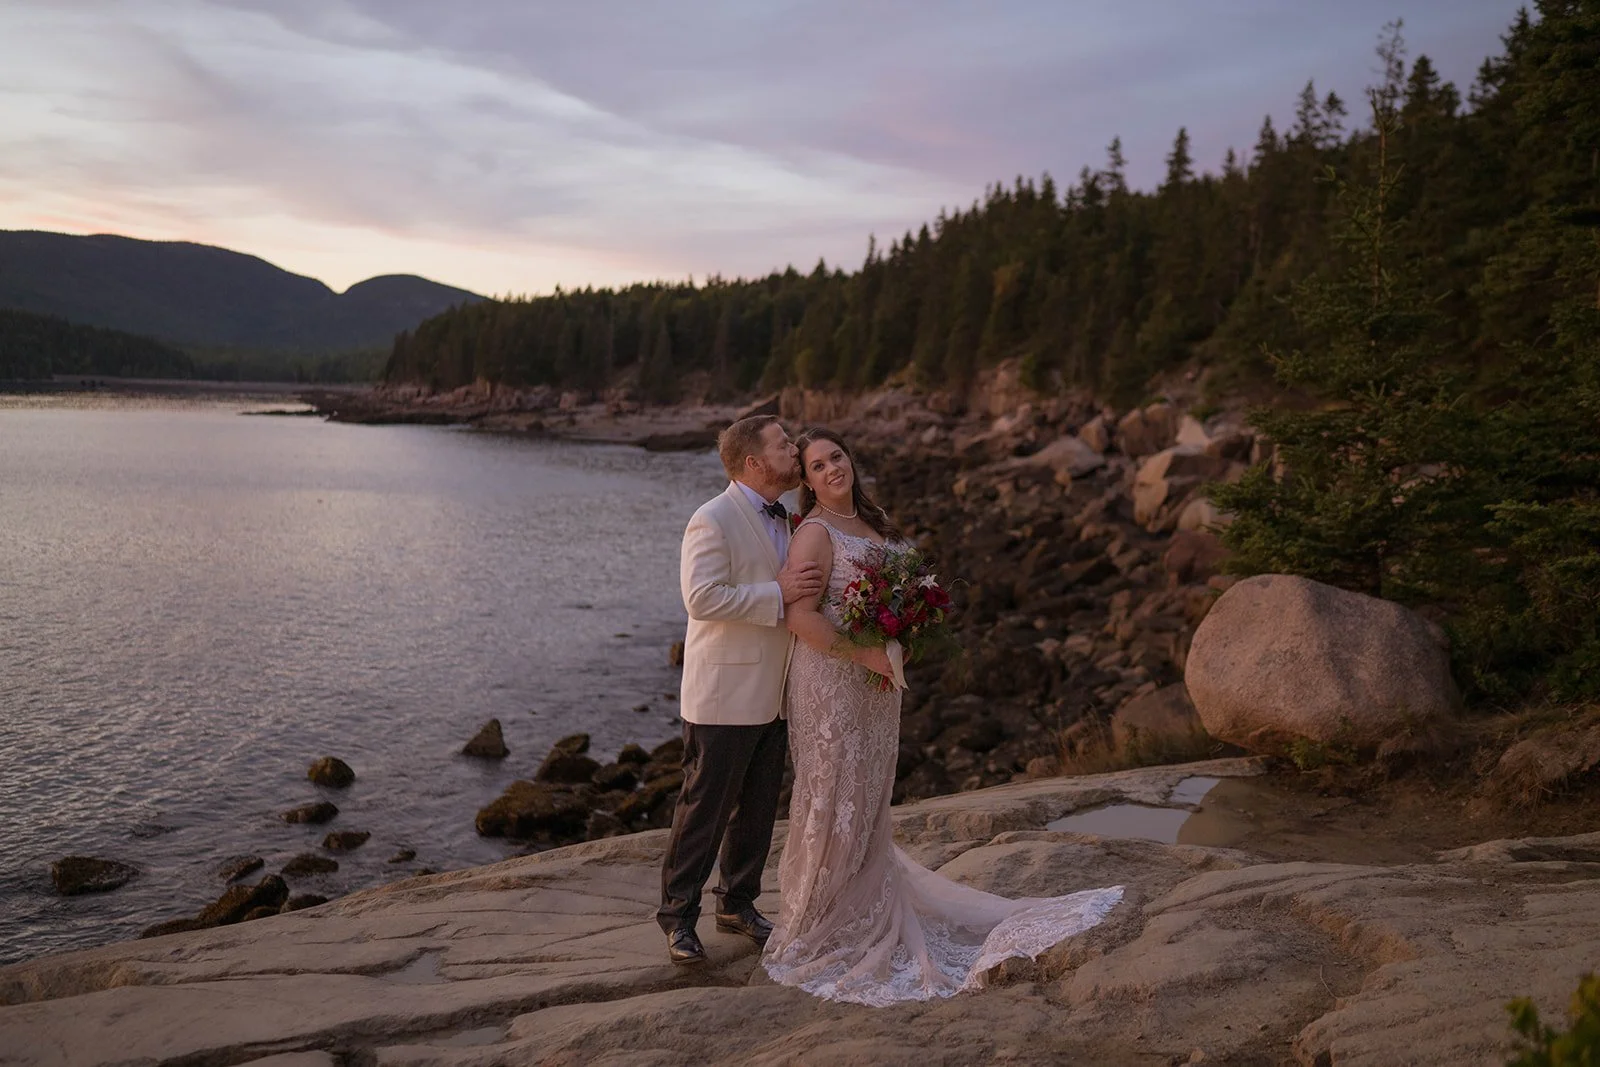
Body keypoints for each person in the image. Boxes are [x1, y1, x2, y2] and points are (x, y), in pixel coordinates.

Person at [763, 427, 1124, 1005]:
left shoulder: (875, 524)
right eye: (818, 466)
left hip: (878, 683)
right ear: (805, 481)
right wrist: (867, 654)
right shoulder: (814, 534)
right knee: (832, 791)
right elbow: (800, 618)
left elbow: (896, 600)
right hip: (832, 682)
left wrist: (905, 638)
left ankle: (864, 895)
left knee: (869, 791)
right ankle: (820, 915)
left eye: (837, 457)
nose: (832, 469)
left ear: (850, 459)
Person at [656, 415, 822, 966]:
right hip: (723, 695)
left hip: (775, 692)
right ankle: (678, 918)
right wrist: (775, 592)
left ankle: (737, 902)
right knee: (703, 811)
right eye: (783, 445)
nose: (794, 450)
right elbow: (701, 597)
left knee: (756, 810)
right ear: (754, 461)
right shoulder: (712, 518)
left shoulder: (790, 518)